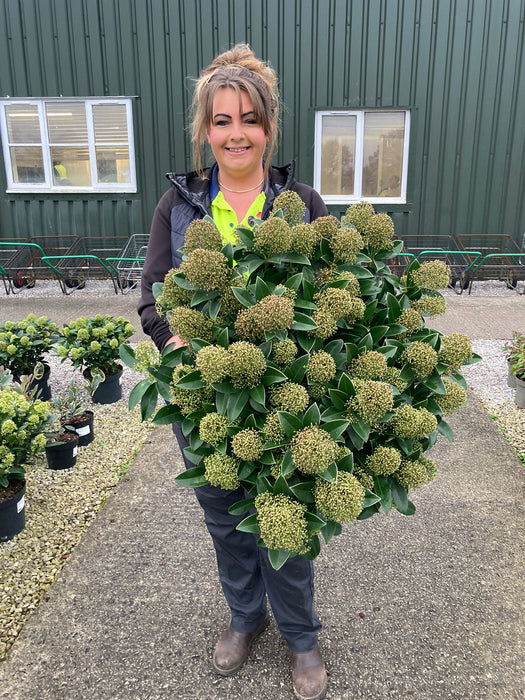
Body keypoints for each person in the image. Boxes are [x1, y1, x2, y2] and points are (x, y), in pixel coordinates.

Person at [138, 44, 329, 700]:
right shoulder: (178, 207)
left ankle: (301, 636)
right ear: (204, 130)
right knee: (225, 519)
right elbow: (151, 298)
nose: (235, 132)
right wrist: (175, 342)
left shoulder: (300, 202)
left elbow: (334, 297)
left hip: (287, 398)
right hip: (203, 403)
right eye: (221, 121)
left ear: (268, 127)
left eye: (248, 119)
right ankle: (245, 620)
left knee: (289, 516)